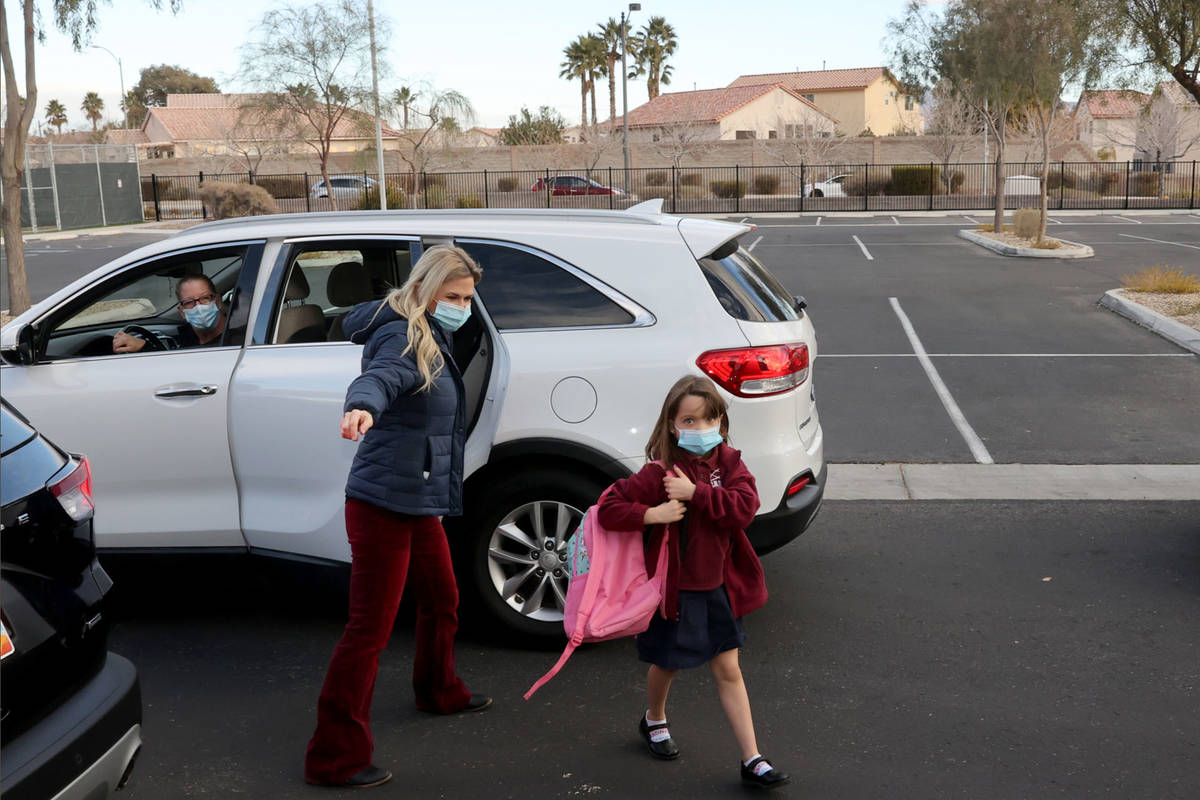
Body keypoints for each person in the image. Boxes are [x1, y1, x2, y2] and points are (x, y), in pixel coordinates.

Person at [304, 245, 490, 790]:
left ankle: (439, 691)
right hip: (383, 503)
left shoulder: (435, 330)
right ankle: (332, 758)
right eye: (452, 297)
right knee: (369, 631)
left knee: (442, 598)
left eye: (467, 298)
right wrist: (361, 405)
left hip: (416, 497)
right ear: (425, 292)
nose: (460, 306)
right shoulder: (404, 334)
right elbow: (384, 376)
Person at [596, 375, 790, 790]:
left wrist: (696, 493)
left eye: (708, 421)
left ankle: (751, 758)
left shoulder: (730, 464)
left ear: (720, 422)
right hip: (676, 593)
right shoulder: (658, 473)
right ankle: (655, 719)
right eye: (689, 420)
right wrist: (653, 515)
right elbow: (609, 508)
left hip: (718, 588)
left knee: (730, 670)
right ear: (671, 424)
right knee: (667, 664)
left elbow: (745, 509)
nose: (700, 430)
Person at [112, 274, 227, 353]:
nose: (198, 306)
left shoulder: (236, 339)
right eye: (189, 302)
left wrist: (144, 347)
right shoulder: (189, 337)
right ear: (182, 312)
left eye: (205, 298)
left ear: (218, 301)